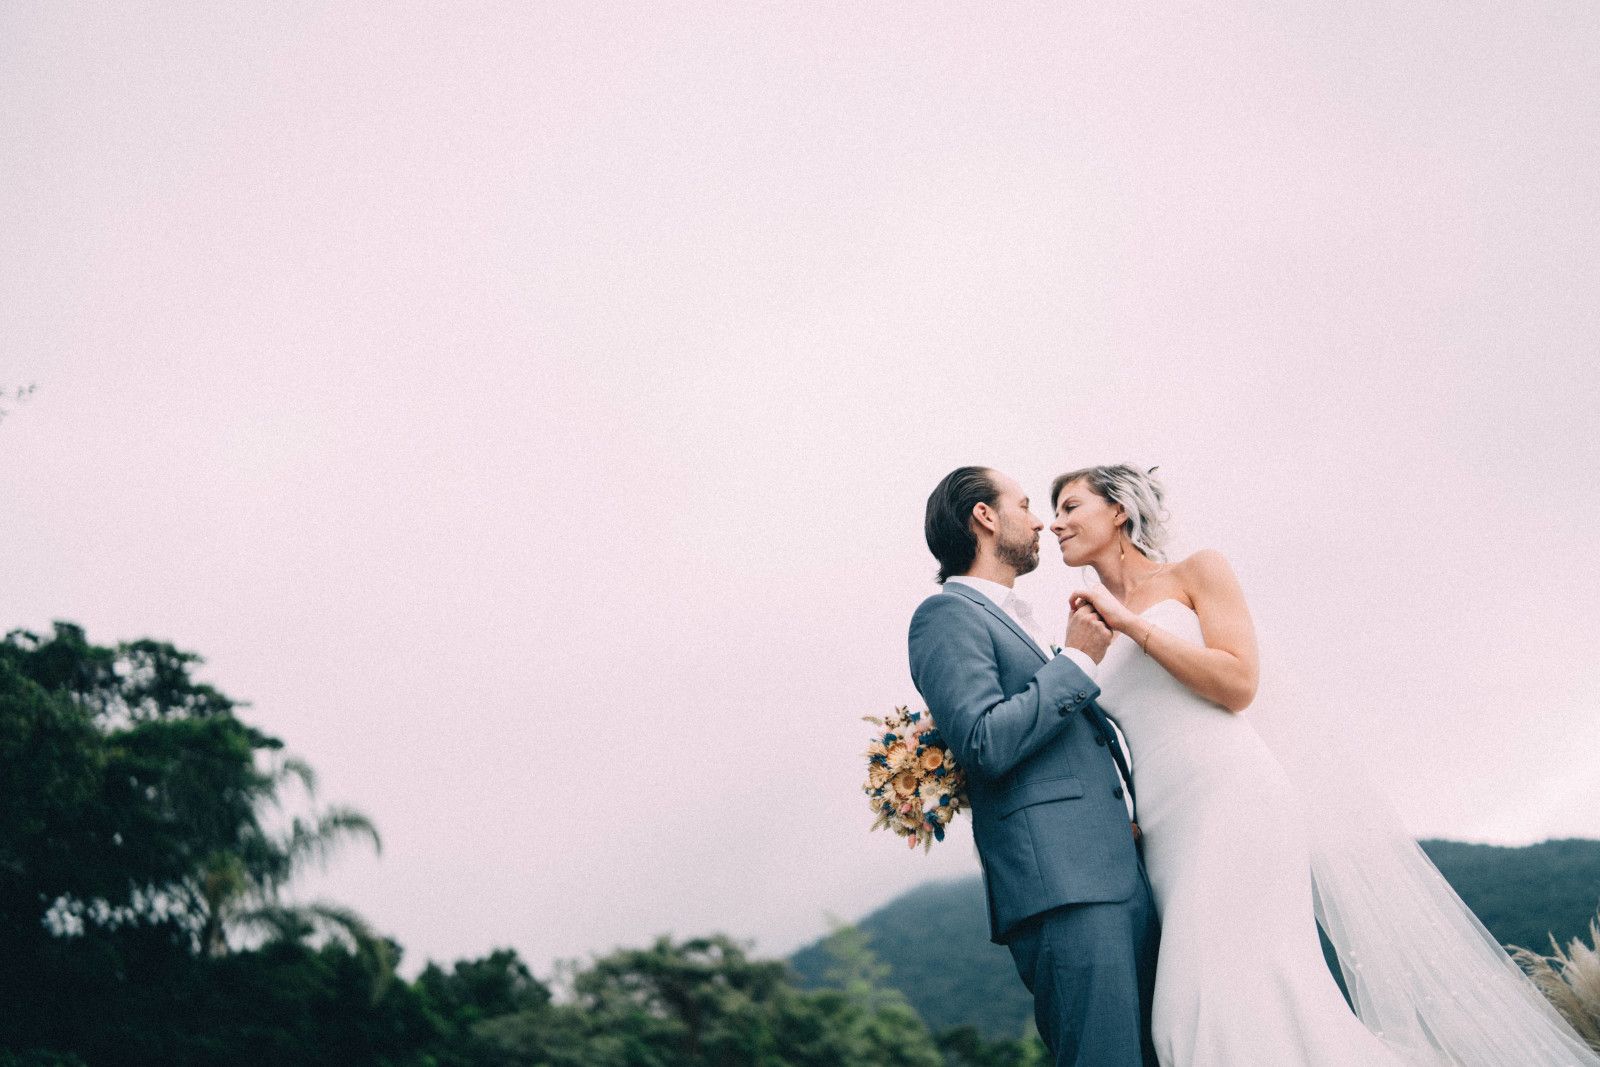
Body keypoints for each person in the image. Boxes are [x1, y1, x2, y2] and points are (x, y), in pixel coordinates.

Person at [1055, 463, 1599, 1067]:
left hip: (1233, 802)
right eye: (1052, 512)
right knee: (1197, 1008)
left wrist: (1132, 623)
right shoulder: (1086, 625)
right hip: (1164, 832)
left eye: (1070, 507)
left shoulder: (1196, 571)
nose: (1055, 524)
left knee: (1220, 1000)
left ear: (1119, 510)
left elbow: (1238, 683)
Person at [908, 465, 1159, 1067]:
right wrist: (1075, 660)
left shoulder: (1018, 617)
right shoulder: (945, 616)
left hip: (1114, 872)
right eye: (1023, 505)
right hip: (1063, 889)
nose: (1041, 519)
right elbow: (984, 740)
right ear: (985, 517)